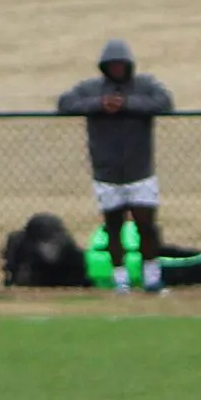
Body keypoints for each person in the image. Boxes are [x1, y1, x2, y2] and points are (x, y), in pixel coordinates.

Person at [57, 39, 175, 293]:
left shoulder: (144, 86)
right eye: (113, 65)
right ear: (104, 67)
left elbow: (164, 102)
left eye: (121, 65)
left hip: (140, 170)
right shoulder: (92, 89)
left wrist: (127, 105)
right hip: (106, 171)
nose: (118, 69)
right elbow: (65, 104)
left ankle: (152, 277)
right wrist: (99, 105)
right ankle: (120, 278)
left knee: (147, 225)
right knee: (113, 226)